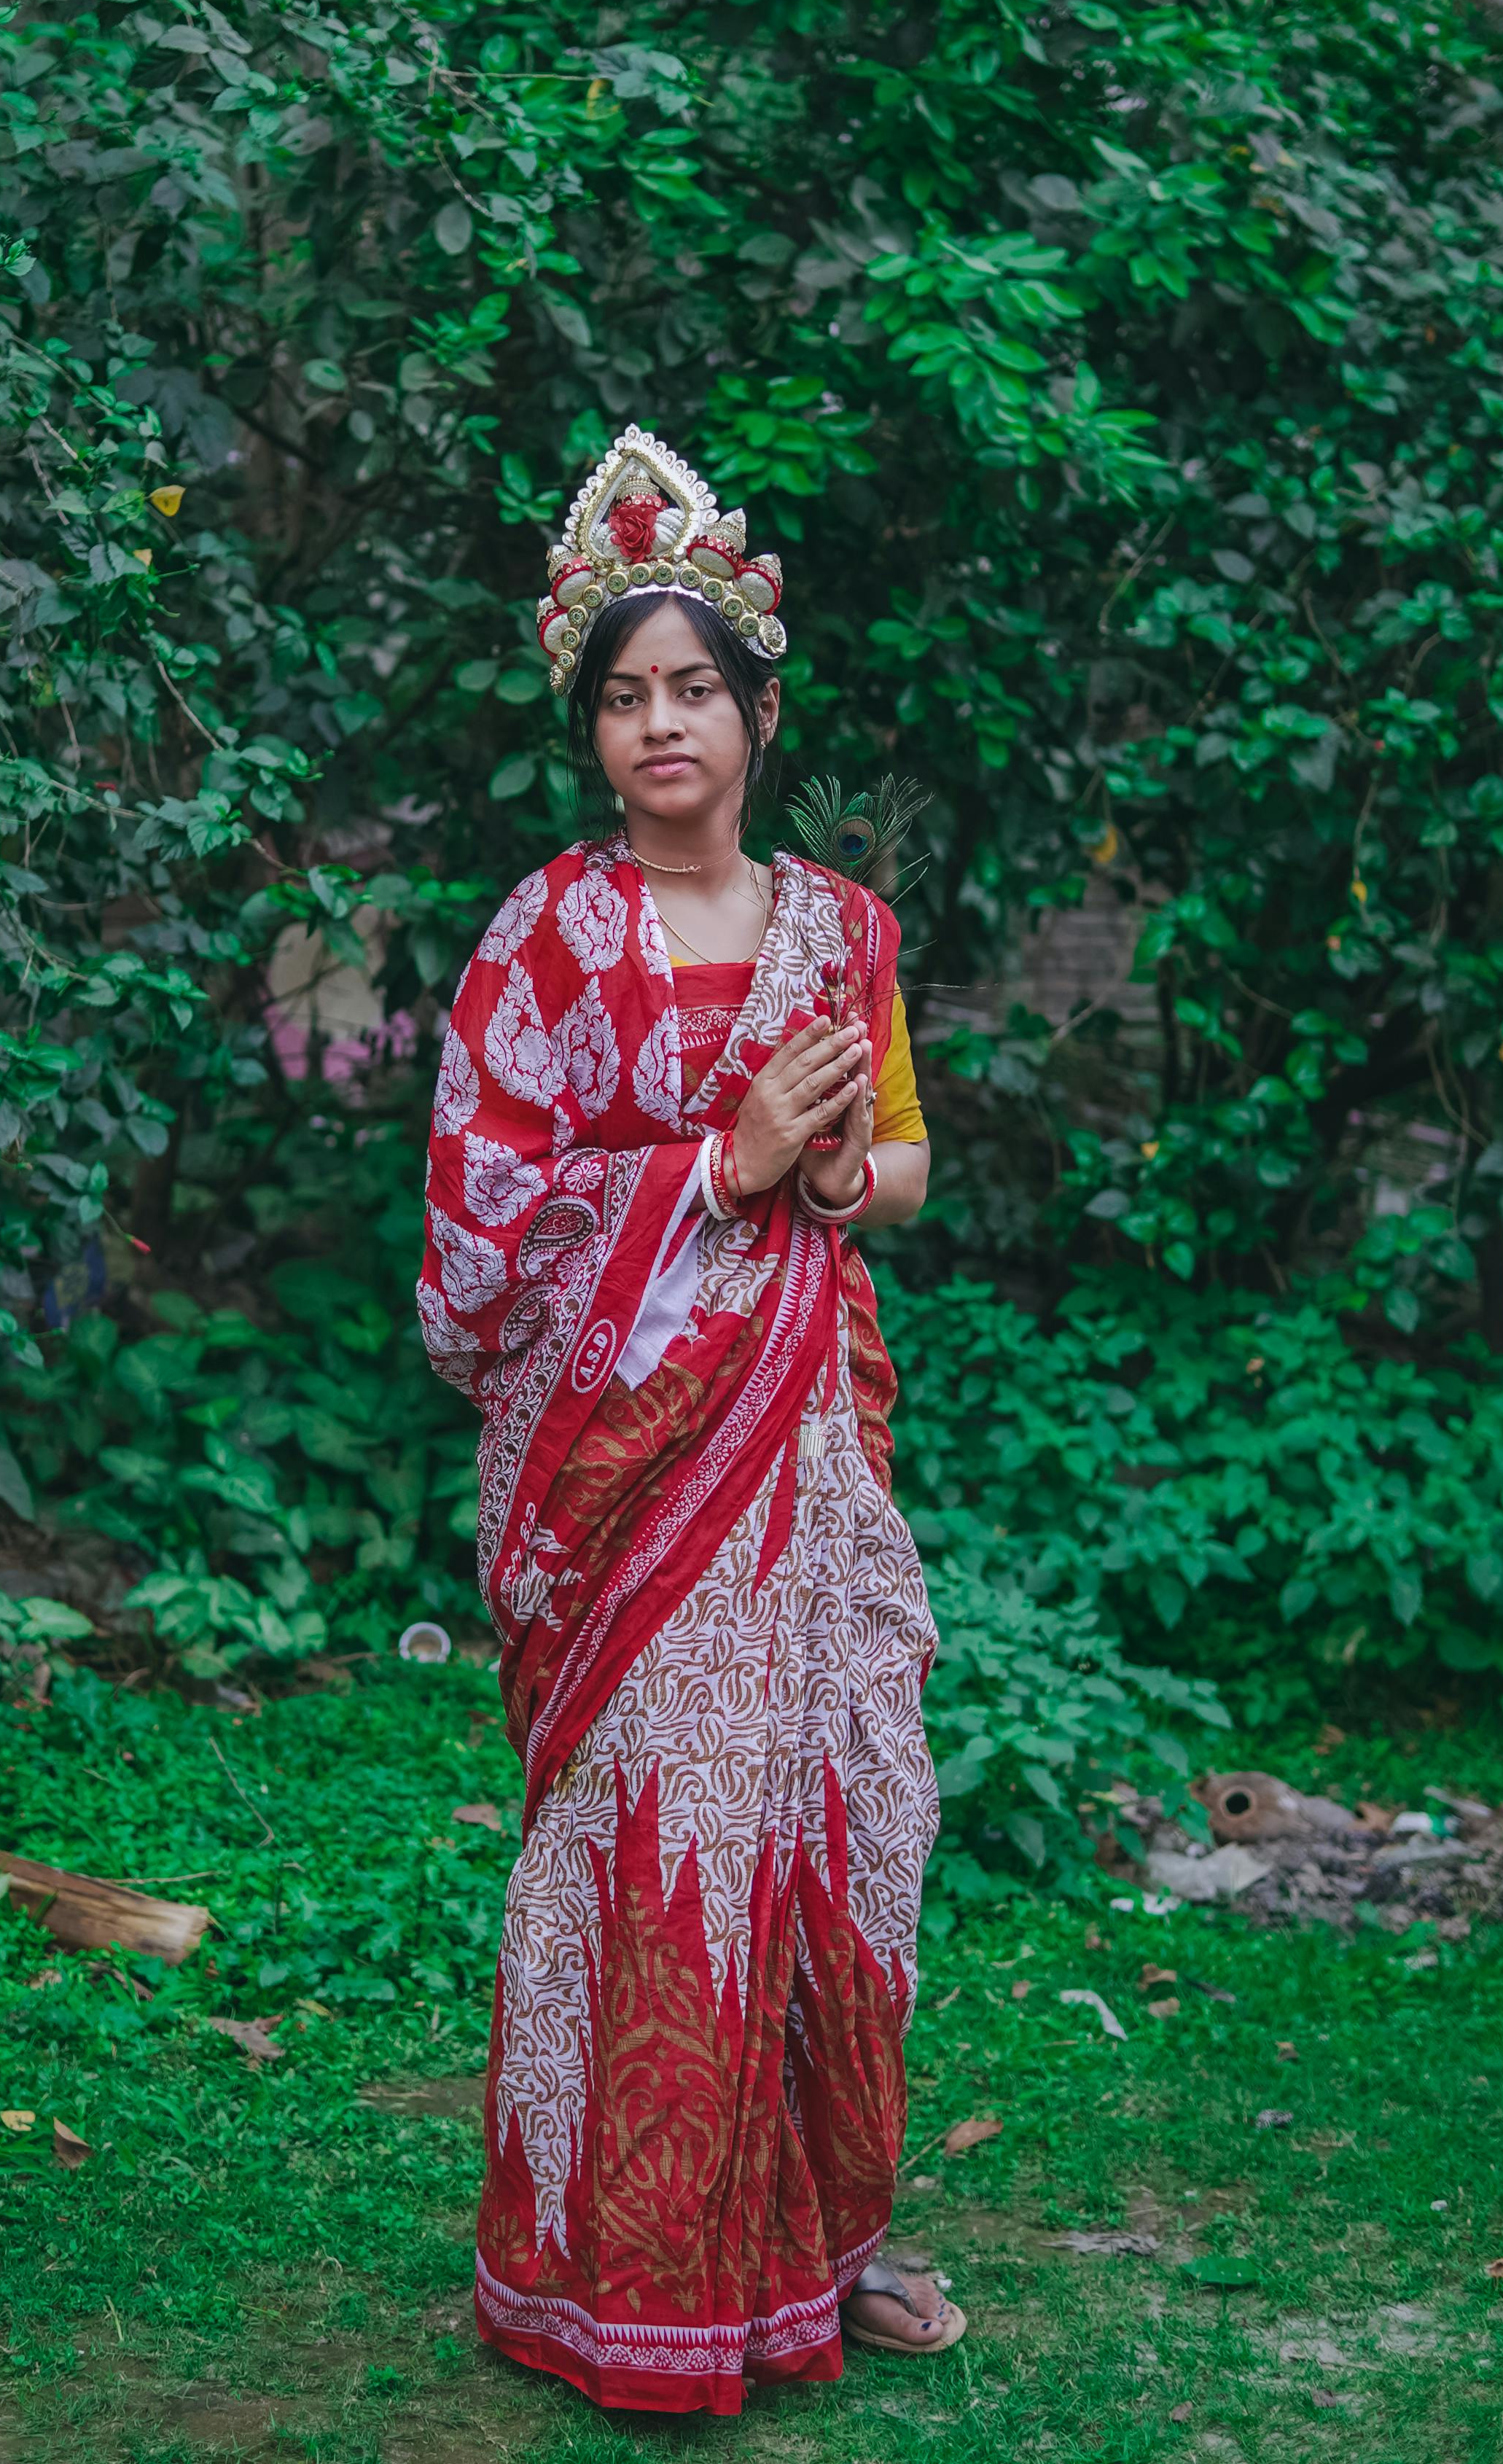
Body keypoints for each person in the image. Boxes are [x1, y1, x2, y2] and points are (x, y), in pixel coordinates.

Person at [418, 425, 961, 2418]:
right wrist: (719, 1163)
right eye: (628, 696)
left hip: (811, 1451)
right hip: (626, 1486)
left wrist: (829, 1182)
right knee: (668, 1846)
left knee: (838, 1825)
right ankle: (615, 2281)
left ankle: (823, 2244)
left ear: (757, 710)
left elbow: (900, 1160)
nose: (664, 725)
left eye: (697, 690)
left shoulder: (844, 932)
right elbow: (477, 1248)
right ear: (593, 728)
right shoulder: (539, 942)